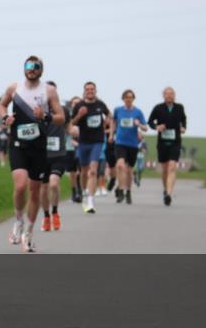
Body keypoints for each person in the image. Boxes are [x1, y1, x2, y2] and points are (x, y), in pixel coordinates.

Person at [0, 57, 65, 252]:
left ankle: (29, 232)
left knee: (34, 191)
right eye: (28, 66)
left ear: (41, 70)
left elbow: (61, 118)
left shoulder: (49, 91)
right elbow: (1, 105)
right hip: (18, 143)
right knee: (20, 186)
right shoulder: (14, 88)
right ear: (23, 69)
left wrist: (46, 116)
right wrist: (5, 117)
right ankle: (18, 220)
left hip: (39, 146)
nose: (31, 70)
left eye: (35, 67)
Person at [71, 82, 112, 214]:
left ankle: (90, 200)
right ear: (84, 91)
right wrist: (79, 115)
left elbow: (109, 115)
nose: (90, 91)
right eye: (87, 89)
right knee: (84, 171)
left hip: (97, 141)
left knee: (93, 171)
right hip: (83, 142)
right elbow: (72, 122)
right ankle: (84, 192)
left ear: (95, 91)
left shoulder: (100, 104)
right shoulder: (79, 105)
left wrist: (106, 122)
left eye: (92, 89)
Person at [148, 87, 187, 206]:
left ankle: (169, 194)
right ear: (163, 96)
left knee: (172, 167)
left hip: (175, 142)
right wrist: (157, 127)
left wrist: (183, 127)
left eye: (171, 94)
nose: (169, 96)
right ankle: (165, 190)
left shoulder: (179, 107)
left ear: (174, 95)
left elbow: (184, 119)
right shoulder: (158, 108)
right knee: (164, 169)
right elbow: (150, 121)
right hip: (162, 143)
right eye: (167, 94)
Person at [40, 81, 71, 231]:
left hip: (59, 154)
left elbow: (69, 127)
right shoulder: (36, 110)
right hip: (41, 155)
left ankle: (55, 212)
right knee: (43, 187)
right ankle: (46, 216)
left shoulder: (64, 110)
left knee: (53, 183)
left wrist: (76, 132)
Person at [111, 89, 148, 204]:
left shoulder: (138, 112)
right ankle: (121, 190)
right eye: (126, 97)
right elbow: (113, 121)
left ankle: (128, 192)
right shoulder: (118, 110)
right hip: (120, 143)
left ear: (133, 99)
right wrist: (111, 134)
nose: (128, 99)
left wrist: (139, 124)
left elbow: (145, 128)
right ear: (123, 99)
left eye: (131, 97)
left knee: (129, 170)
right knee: (120, 166)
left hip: (132, 144)